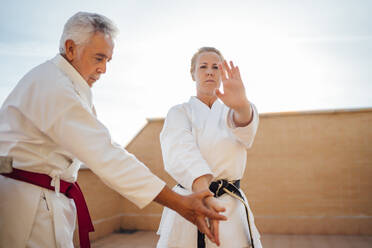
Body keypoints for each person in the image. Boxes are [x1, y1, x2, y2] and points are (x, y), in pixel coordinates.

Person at [0, 13, 226, 248]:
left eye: (108, 60)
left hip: (42, 199)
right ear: (70, 48)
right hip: (27, 208)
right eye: (99, 58)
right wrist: (179, 202)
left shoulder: (65, 84)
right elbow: (105, 155)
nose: (104, 69)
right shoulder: (54, 87)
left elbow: (104, 144)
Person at [156, 47, 263, 248]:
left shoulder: (235, 110)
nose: (210, 71)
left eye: (216, 67)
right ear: (193, 73)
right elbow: (180, 151)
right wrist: (203, 193)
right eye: (203, 66)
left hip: (230, 205)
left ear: (222, 74)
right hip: (190, 202)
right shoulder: (179, 112)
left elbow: (246, 133)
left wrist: (241, 106)